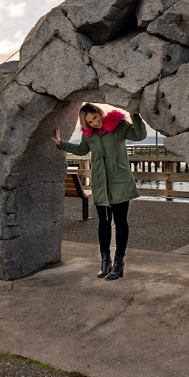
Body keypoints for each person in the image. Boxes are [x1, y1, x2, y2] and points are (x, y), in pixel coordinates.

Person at [53, 103, 147, 280]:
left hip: (119, 182)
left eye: (95, 118)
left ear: (99, 112)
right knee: (104, 223)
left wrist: (135, 116)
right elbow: (81, 150)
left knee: (120, 222)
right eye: (89, 121)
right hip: (100, 184)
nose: (94, 123)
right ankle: (105, 261)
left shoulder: (119, 125)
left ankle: (119, 262)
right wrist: (61, 144)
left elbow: (139, 135)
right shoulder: (89, 135)